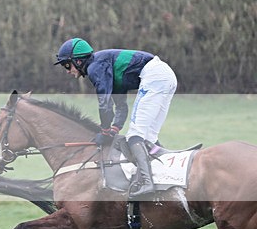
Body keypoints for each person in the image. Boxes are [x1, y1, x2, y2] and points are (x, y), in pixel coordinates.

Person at [54, 37, 177, 199]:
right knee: (149, 137)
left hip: (155, 77)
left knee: (135, 136)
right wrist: (114, 129)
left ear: (77, 61)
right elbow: (120, 106)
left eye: (67, 65)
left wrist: (104, 132)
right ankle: (166, 174)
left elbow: (104, 104)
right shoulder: (104, 66)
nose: (67, 71)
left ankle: (147, 183)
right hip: (166, 76)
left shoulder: (95, 67)